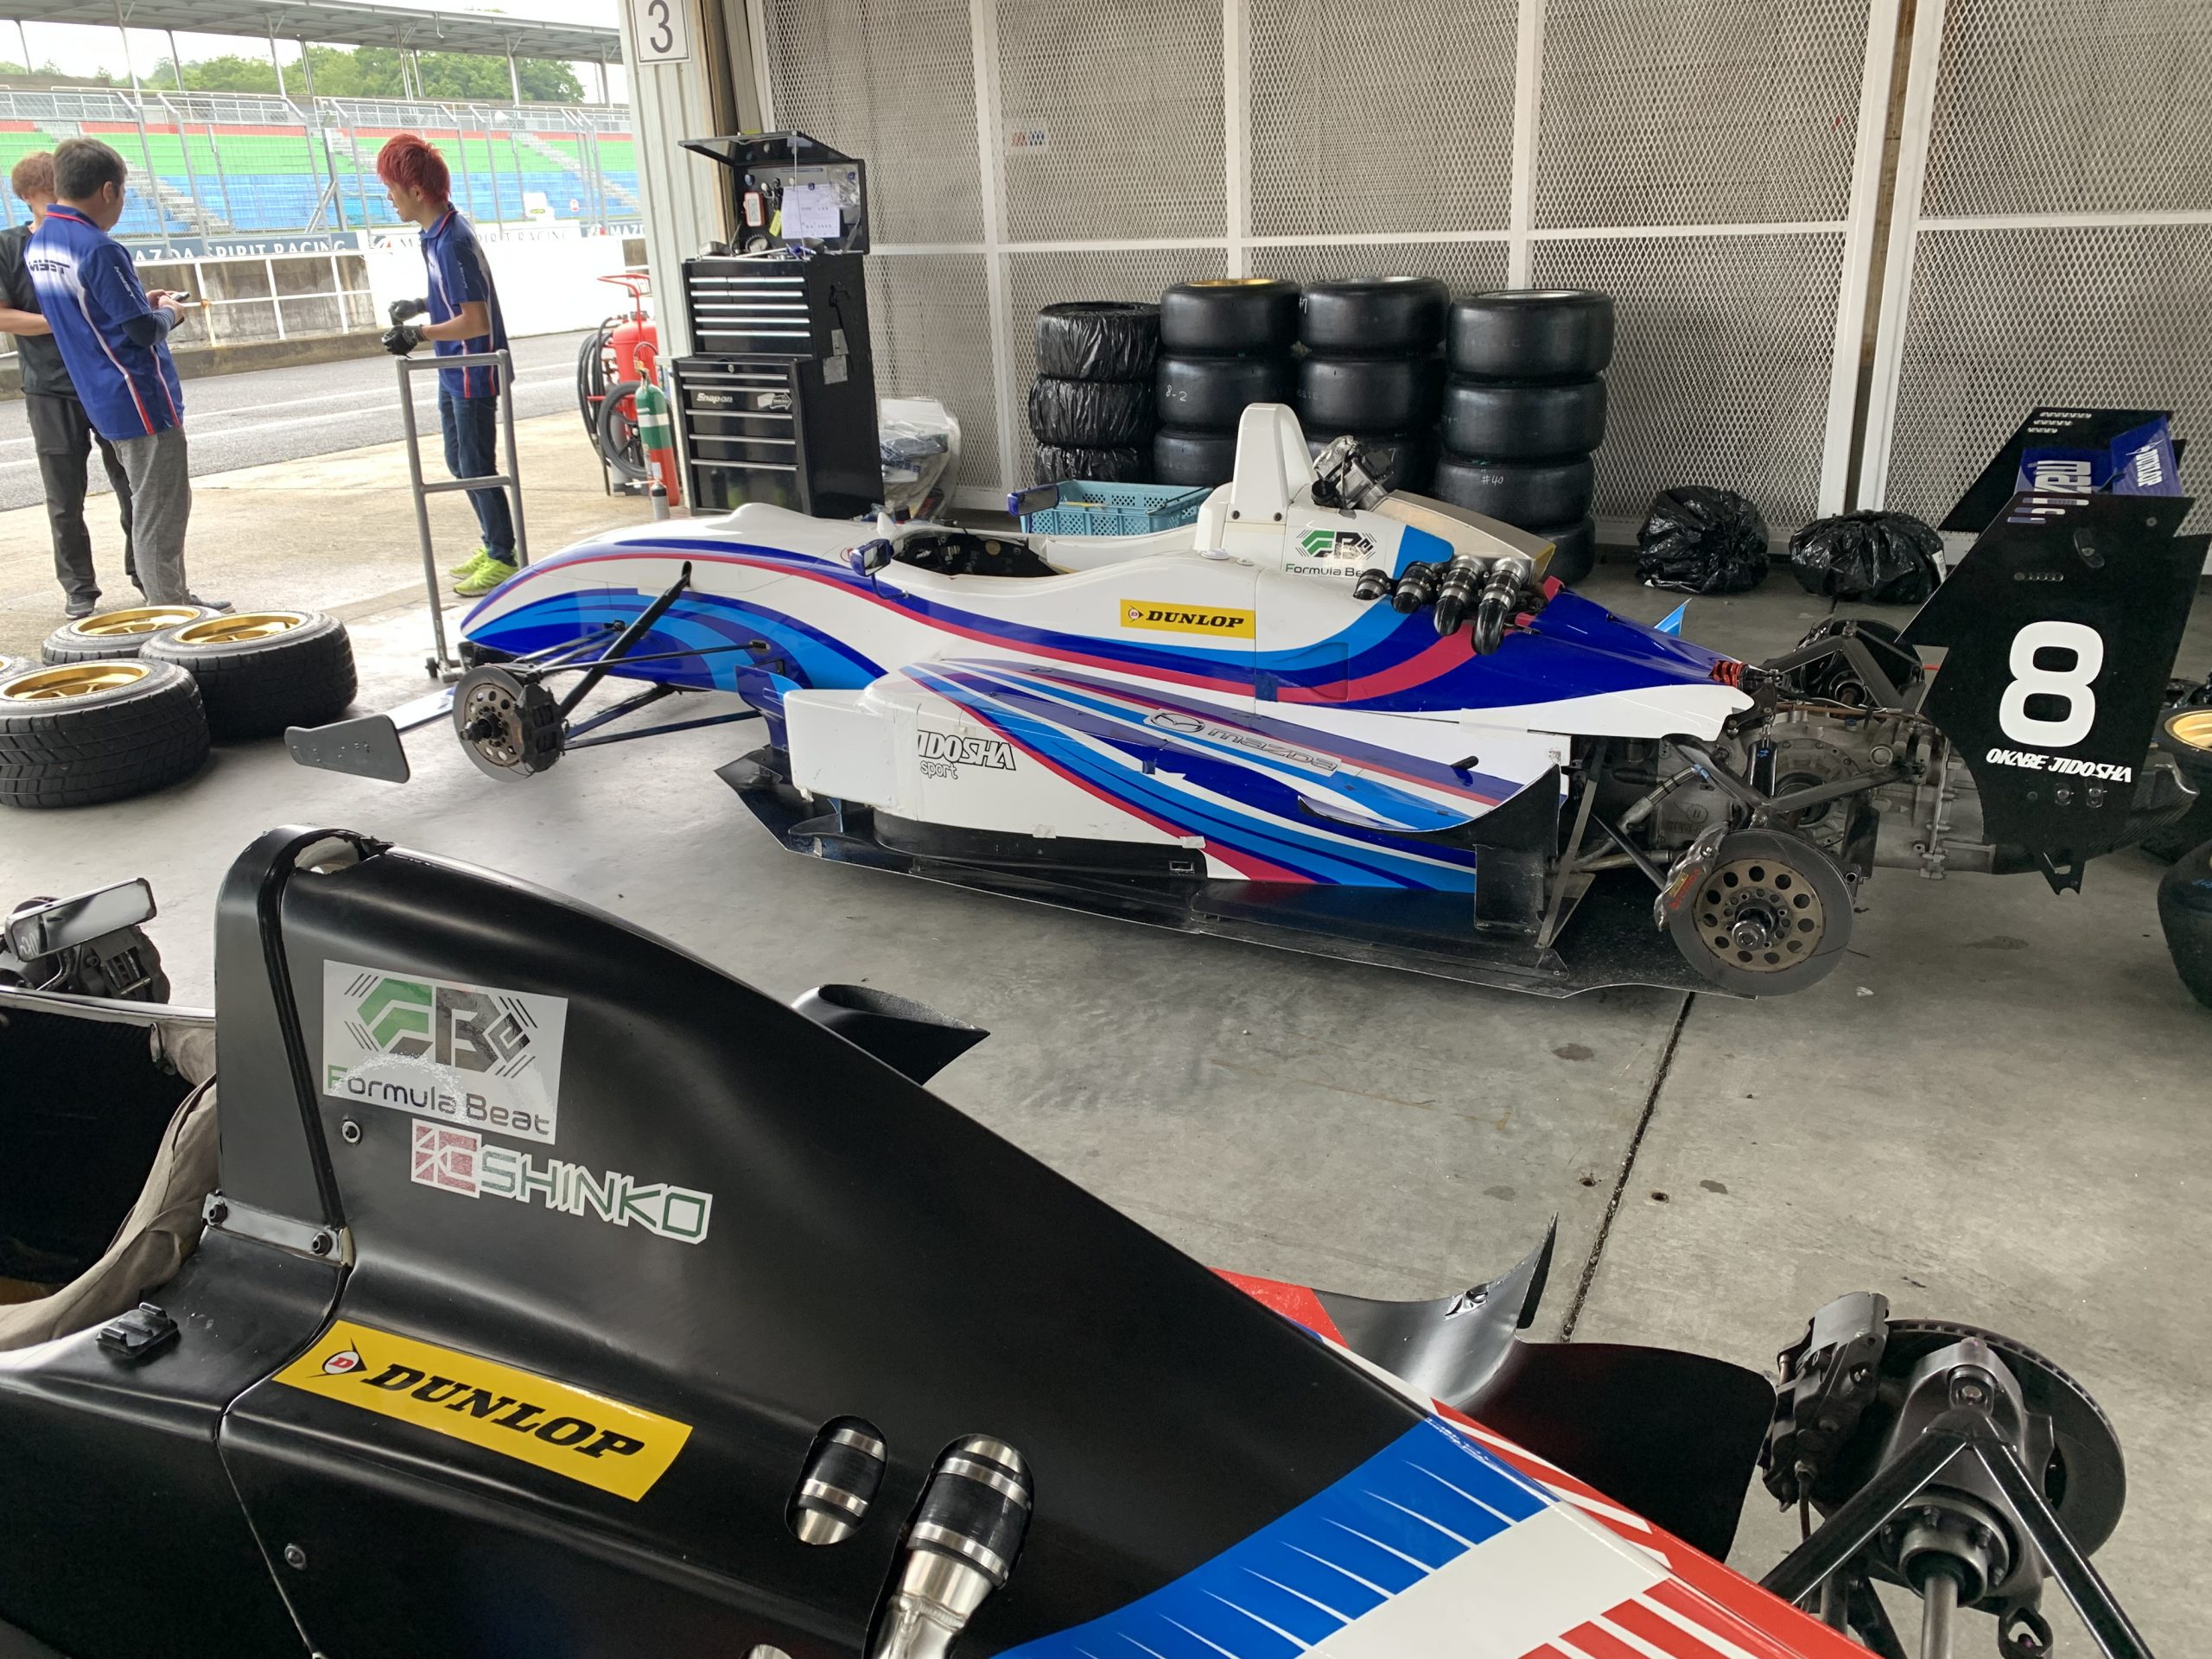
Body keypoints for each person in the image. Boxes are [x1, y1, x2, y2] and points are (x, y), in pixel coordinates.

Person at [27, 137, 224, 613]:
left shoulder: (41, 242)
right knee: (160, 511)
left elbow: (94, 313)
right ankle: (171, 613)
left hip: (97, 392)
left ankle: (172, 600)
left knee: (149, 504)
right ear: (109, 190)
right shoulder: (98, 248)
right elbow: (140, 332)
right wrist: (171, 313)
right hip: (137, 396)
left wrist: (139, 302)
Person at [375, 133, 517, 599]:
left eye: (392, 188)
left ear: (416, 191)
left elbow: (475, 320)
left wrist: (418, 334)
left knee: (476, 465)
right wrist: (420, 305)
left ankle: (503, 556)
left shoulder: (452, 240)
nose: (389, 198)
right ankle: (493, 543)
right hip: (453, 367)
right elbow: (455, 297)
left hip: (473, 369)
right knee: (459, 462)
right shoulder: (435, 235)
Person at [1, 151, 139, 619]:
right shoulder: (10, 246)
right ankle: (79, 588)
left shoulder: (88, 241)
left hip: (104, 380)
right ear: (27, 197)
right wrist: (60, 319)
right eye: (47, 199)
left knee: (133, 485)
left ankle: (146, 573)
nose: (57, 207)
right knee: (64, 496)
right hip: (49, 386)